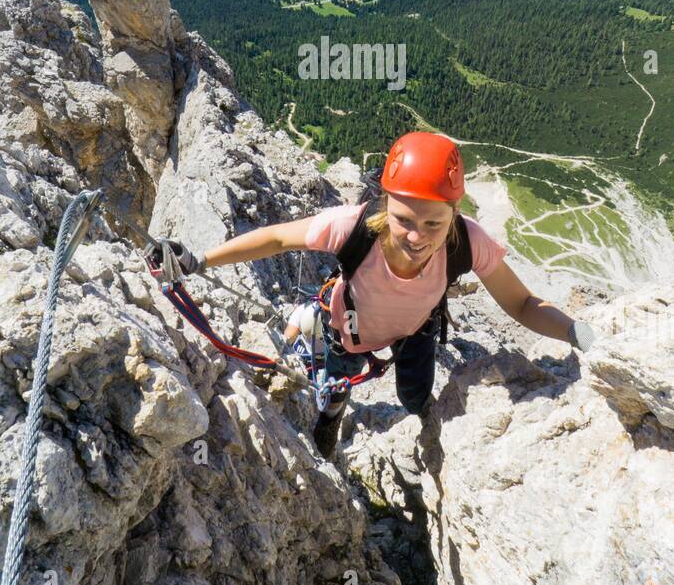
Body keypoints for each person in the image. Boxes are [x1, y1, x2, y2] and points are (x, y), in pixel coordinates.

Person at [164, 132, 594, 460]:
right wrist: (199, 260)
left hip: (415, 332)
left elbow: (521, 304)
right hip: (347, 329)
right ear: (385, 204)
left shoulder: (468, 242)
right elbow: (277, 238)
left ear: (454, 215)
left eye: (433, 225)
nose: (415, 236)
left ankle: (416, 426)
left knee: (416, 397)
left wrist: (579, 334)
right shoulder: (353, 227)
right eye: (404, 218)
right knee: (335, 392)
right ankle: (332, 416)